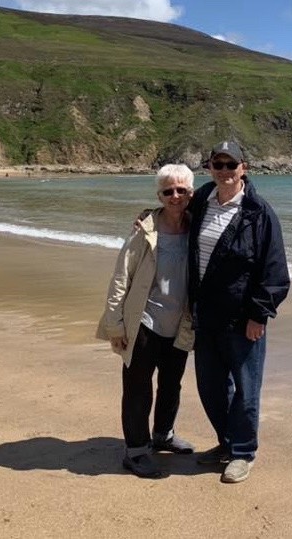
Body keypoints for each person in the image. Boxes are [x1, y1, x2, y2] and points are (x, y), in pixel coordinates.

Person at [188, 141, 290, 483]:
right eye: (219, 164)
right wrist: (146, 218)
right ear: (210, 168)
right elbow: (170, 212)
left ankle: (243, 453)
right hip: (206, 316)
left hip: (242, 319)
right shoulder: (201, 200)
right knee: (211, 387)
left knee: (246, 391)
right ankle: (227, 443)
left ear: (243, 168)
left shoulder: (259, 213)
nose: (225, 171)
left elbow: (274, 271)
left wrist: (259, 315)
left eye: (231, 165)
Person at [96, 164, 196, 479]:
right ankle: (136, 451)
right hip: (144, 322)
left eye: (182, 190)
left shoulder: (197, 226)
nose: (175, 196)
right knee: (138, 388)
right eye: (168, 191)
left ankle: (163, 435)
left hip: (180, 324)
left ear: (191, 193)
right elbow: (120, 277)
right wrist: (115, 326)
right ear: (159, 195)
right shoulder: (145, 229)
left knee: (171, 385)